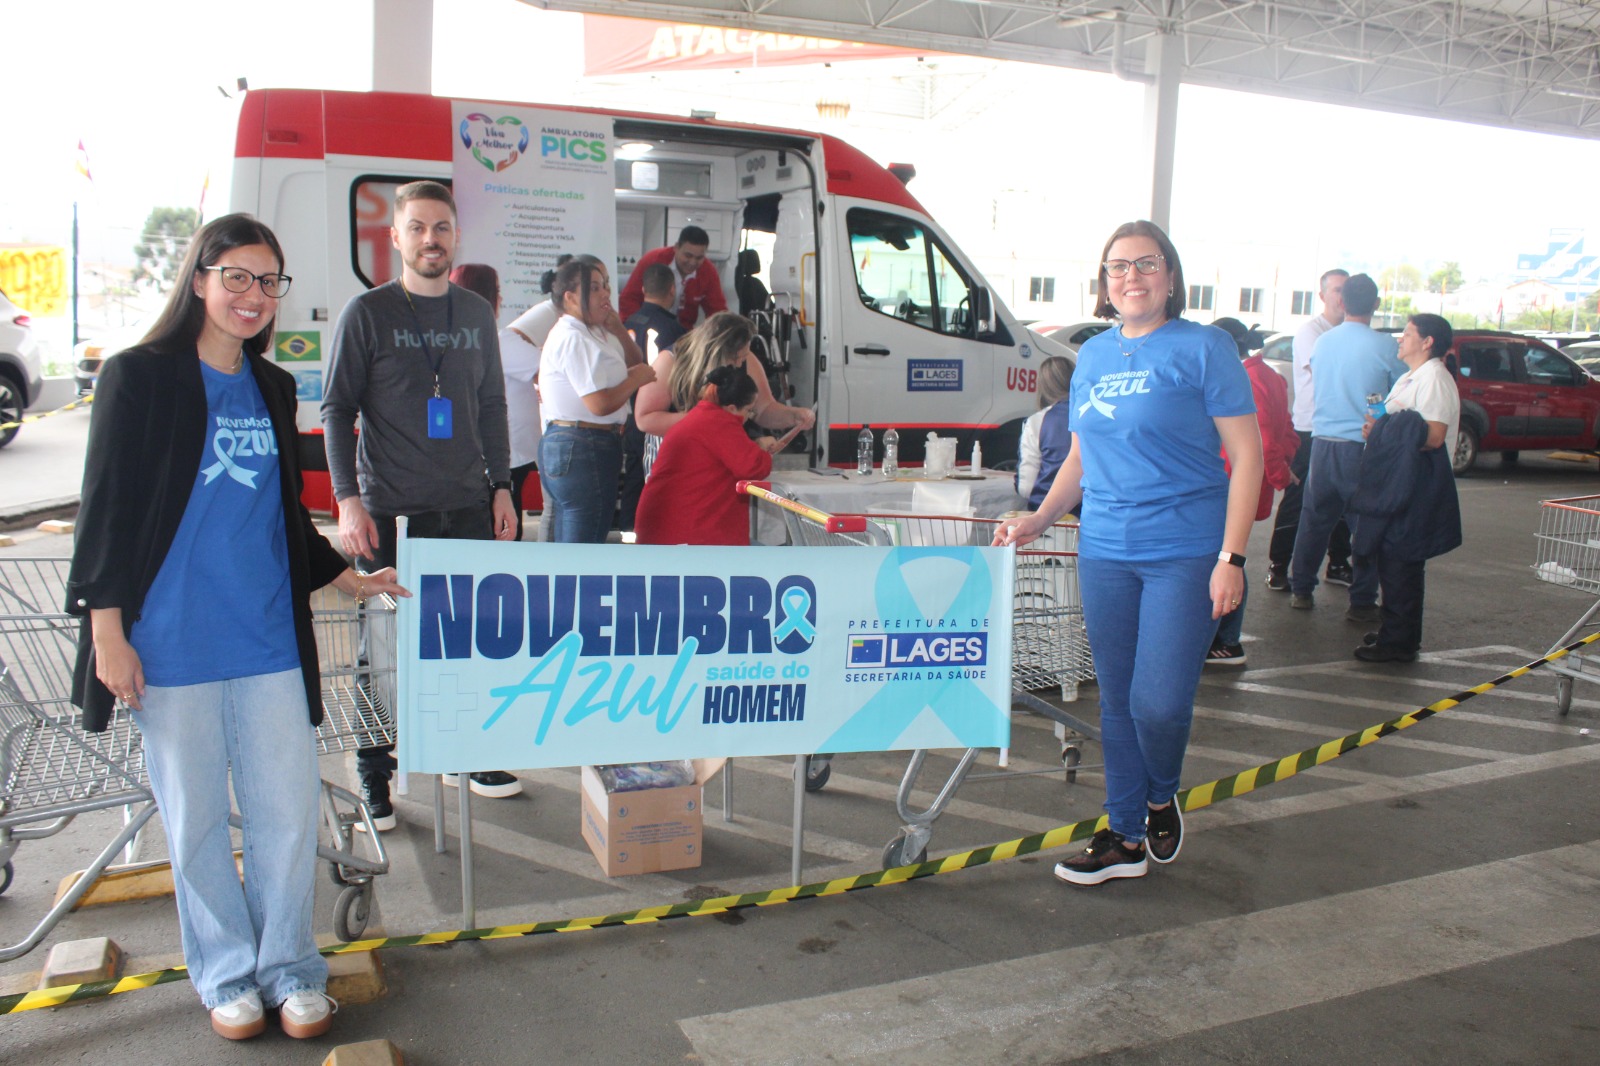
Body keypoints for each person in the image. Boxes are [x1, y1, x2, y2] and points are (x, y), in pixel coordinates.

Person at [66, 213, 409, 1041]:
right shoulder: (139, 377)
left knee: (286, 814)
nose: (254, 296)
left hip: (266, 640)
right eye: (237, 278)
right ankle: (225, 975)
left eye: (268, 281)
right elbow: (106, 509)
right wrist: (108, 632)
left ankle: (290, 970)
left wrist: (345, 574)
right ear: (200, 281)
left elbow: (280, 511)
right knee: (195, 826)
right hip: (171, 644)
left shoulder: (271, 386)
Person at [994, 220, 1262, 887]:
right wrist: (1041, 517)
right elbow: (1081, 457)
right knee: (1115, 699)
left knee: (1158, 703)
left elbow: (1248, 456)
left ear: (1170, 276)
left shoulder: (1204, 348)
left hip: (1185, 549)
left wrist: (1232, 558)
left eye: (1146, 264)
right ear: (1104, 281)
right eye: (1118, 266)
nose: (1131, 277)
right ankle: (1123, 835)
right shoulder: (1093, 356)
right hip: (1106, 549)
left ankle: (1158, 793)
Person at [322, 180, 521, 815]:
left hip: (465, 506)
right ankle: (374, 769)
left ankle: (465, 752)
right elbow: (336, 410)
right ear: (396, 237)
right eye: (417, 227)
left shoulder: (475, 313)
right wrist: (347, 499)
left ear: (456, 235)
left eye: (440, 227)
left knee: (468, 638)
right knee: (381, 651)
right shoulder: (367, 313)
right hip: (389, 512)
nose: (429, 239)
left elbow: (491, 405)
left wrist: (502, 487)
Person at [1287, 273, 1406, 619]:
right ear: (1376, 304)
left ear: (1341, 302)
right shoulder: (1385, 346)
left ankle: (1301, 589)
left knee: (1313, 521)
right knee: (1366, 525)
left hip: (1323, 444)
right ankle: (1362, 600)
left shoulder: (1322, 342)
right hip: (1362, 448)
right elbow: (1402, 389)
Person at [1348, 314, 1461, 663]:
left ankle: (1399, 643)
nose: (1400, 339)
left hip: (1417, 482)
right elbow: (1396, 427)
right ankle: (1395, 630)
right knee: (1391, 559)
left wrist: (1384, 431)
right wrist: (1377, 430)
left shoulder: (1435, 378)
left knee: (1402, 560)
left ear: (1427, 342)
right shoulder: (1410, 377)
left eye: (1408, 334)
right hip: (1398, 480)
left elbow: (1434, 436)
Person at [538, 257, 656, 542]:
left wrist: (617, 329)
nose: (605, 293)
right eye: (594, 288)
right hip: (583, 444)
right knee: (584, 547)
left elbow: (634, 360)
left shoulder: (591, 331)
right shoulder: (574, 337)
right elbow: (599, 404)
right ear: (570, 298)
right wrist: (635, 379)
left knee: (577, 542)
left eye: (605, 286)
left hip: (584, 443)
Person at [1206, 318, 1299, 667]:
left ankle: (1227, 641)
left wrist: (1279, 473)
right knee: (1228, 557)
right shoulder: (1268, 375)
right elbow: (1286, 432)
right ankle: (1224, 639)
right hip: (1239, 481)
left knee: (1227, 558)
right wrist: (1282, 470)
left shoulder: (1246, 379)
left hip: (1231, 483)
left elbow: (1264, 440)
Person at [633, 311, 814, 472]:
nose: (739, 364)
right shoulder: (669, 361)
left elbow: (763, 409)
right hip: (676, 460)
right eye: (735, 358)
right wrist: (712, 419)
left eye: (744, 357)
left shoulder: (746, 358)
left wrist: (793, 416)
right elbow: (645, 419)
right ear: (715, 351)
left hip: (721, 460)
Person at [1268, 269, 1352, 591]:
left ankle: (1338, 563)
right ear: (1322, 295)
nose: (1341, 297)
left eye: (1346, 290)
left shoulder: (1351, 332)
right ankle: (1278, 565)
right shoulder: (1311, 332)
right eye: (1336, 290)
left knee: (1343, 498)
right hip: (1310, 429)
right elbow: (1328, 374)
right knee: (1297, 496)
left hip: (1344, 431)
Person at [635, 365, 778, 545]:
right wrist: (763, 451)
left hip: (666, 529)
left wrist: (756, 446)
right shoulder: (720, 423)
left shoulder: (703, 416)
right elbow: (752, 467)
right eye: (749, 410)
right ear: (732, 408)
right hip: (688, 535)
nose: (750, 416)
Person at [451, 263, 539, 541]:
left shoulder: (460, 340)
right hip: (505, 455)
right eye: (496, 291)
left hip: (491, 456)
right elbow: (550, 368)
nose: (501, 298)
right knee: (505, 530)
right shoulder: (501, 341)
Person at [620, 263, 687, 531]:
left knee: (633, 479)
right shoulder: (674, 330)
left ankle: (628, 534)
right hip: (659, 416)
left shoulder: (627, 323)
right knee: (657, 481)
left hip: (630, 409)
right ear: (672, 290)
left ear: (643, 289)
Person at [618, 225, 728, 330]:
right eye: (688, 255)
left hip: (683, 332)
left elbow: (717, 312)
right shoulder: (653, 260)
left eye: (699, 258)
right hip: (646, 326)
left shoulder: (708, 271)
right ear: (676, 248)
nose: (692, 262)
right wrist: (636, 328)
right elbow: (629, 299)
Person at [1015, 355, 1074, 508]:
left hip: (1045, 512)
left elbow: (1026, 487)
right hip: (1089, 511)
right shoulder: (1095, 415)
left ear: (1043, 386)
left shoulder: (1036, 422)